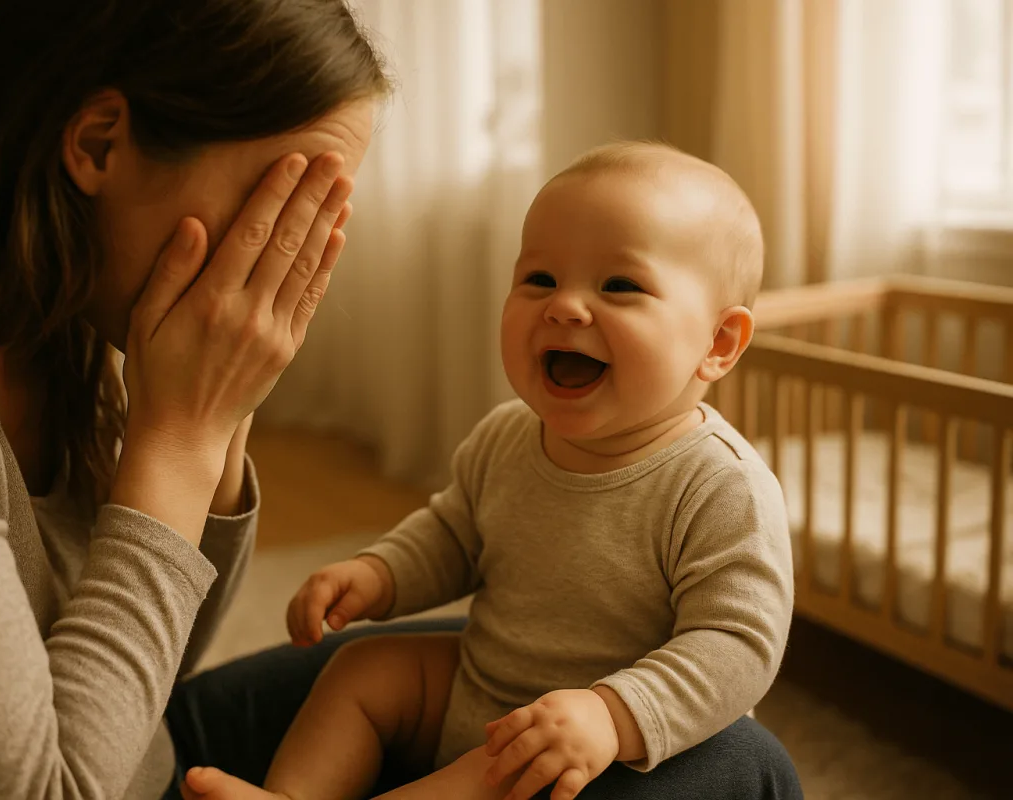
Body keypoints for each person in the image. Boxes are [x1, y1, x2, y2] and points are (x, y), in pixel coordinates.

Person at [0, 1, 389, 798]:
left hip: (133, 762)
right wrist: (179, 439)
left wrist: (221, 418)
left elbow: (148, 671)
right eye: (274, 201)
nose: (284, 250)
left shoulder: (56, 303)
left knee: (546, 694)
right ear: (97, 143)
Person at [178, 142, 802, 800]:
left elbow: (737, 645)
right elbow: (452, 534)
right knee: (361, 670)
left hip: (592, 744)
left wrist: (612, 715)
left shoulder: (720, 486)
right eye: (539, 280)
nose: (565, 307)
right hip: (482, 681)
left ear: (718, 343)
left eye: (619, 286)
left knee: (489, 773)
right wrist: (380, 574)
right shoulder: (506, 435)